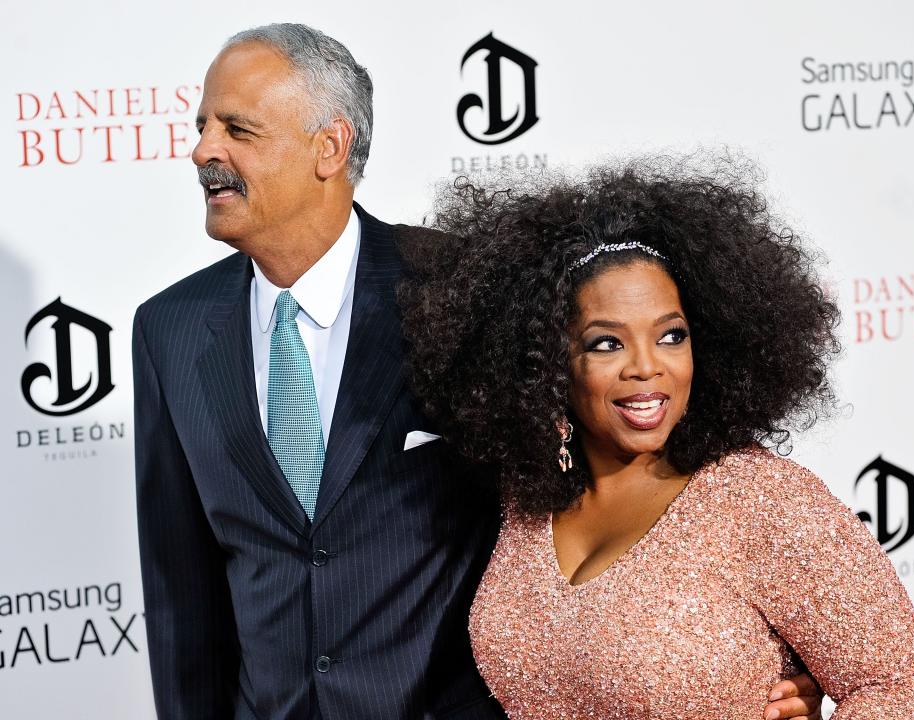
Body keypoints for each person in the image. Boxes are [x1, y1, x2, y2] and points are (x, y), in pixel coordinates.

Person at [133, 22, 824, 720]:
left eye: (236, 129)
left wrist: (753, 655)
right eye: (202, 126)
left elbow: (629, 466)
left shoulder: (458, 287)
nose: (202, 150)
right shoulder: (170, 330)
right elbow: (179, 590)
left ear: (329, 147)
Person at [398, 160, 914, 719]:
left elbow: (895, 681)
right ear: (547, 364)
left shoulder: (760, 499)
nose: (647, 368)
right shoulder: (525, 499)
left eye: (671, 336)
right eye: (606, 344)